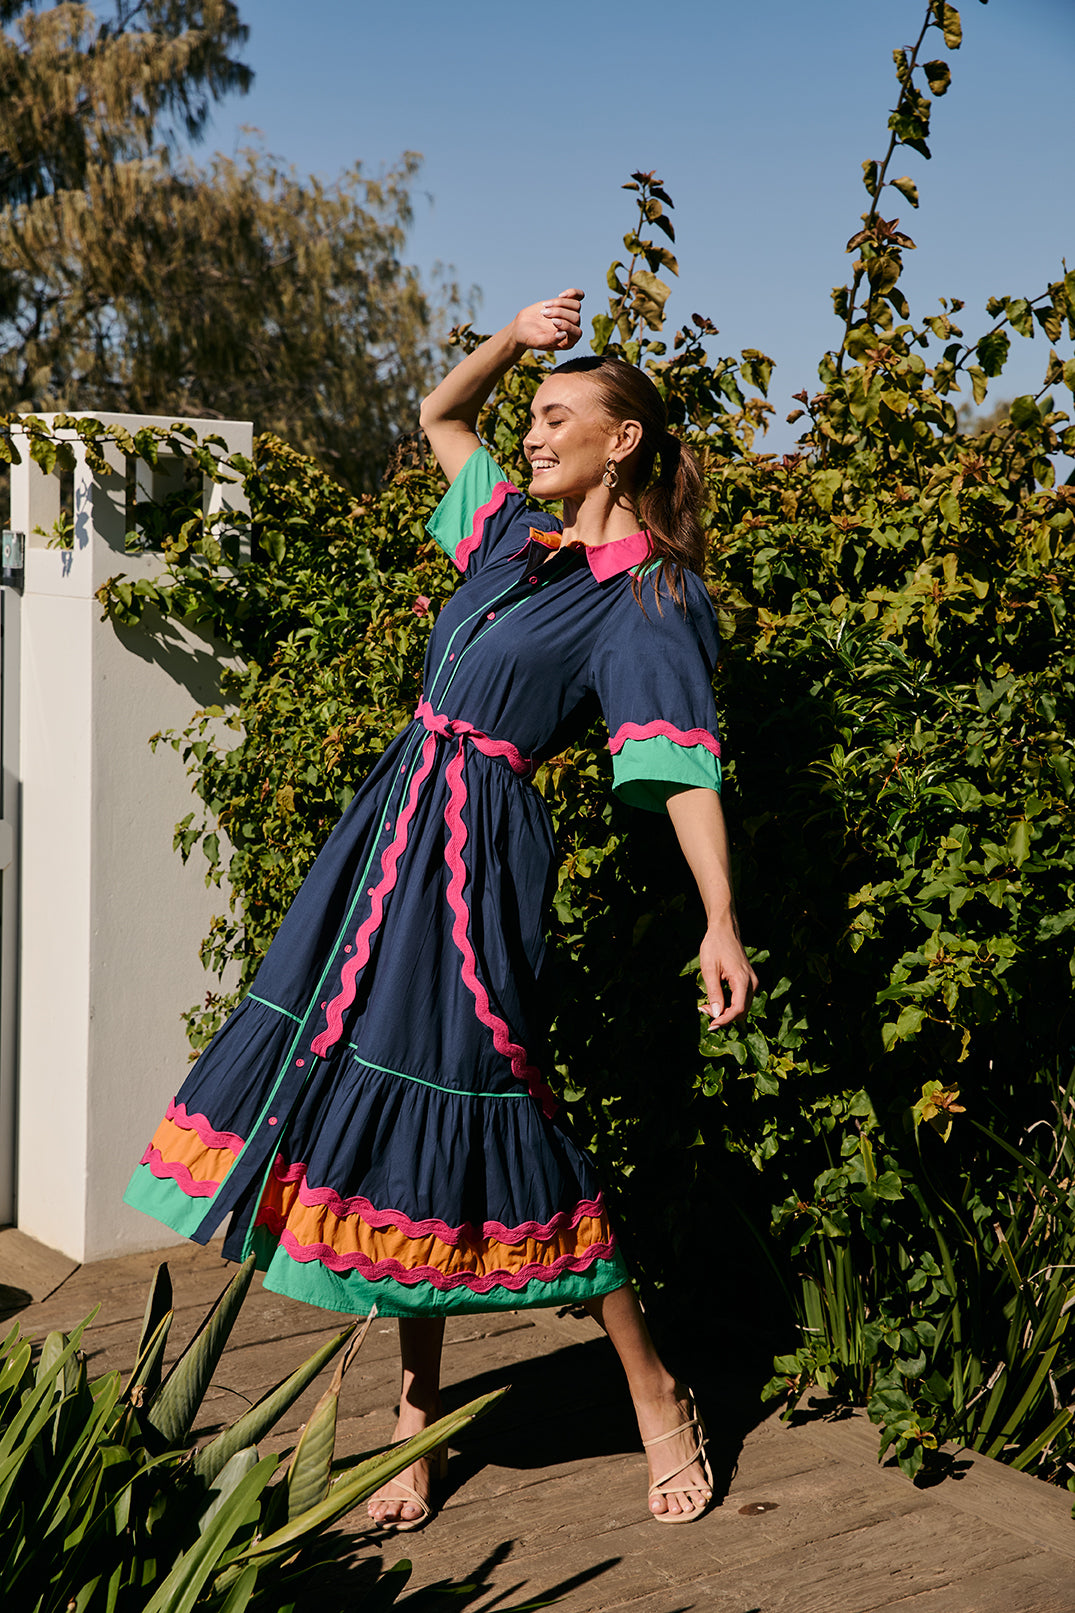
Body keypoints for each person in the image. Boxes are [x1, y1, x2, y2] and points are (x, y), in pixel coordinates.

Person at [124, 288, 757, 1528]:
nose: (530, 431)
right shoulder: (512, 537)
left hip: (477, 861)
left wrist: (718, 915)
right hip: (385, 839)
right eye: (531, 415)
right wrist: (511, 342)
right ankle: (411, 1424)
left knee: (502, 1109)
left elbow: (681, 760)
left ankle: (653, 1390)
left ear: (622, 439)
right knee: (384, 1107)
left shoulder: (646, 599)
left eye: (558, 413)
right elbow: (435, 412)